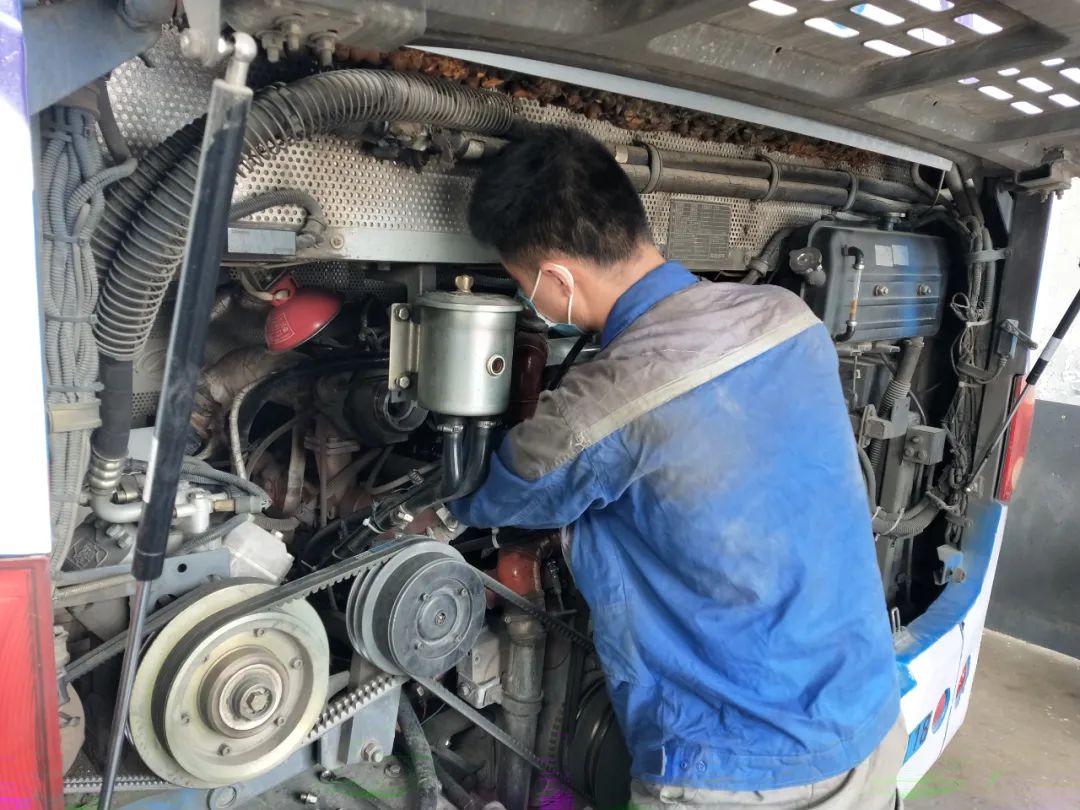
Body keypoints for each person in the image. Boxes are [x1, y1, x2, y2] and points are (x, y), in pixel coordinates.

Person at [449, 128, 905, 808]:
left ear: (556, 280)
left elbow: (495, 496)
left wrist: (431, 511)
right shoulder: (788, 318)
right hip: (870, 715)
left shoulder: (601, 408)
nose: (532, 304)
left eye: (523, 286)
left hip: (742, 770)